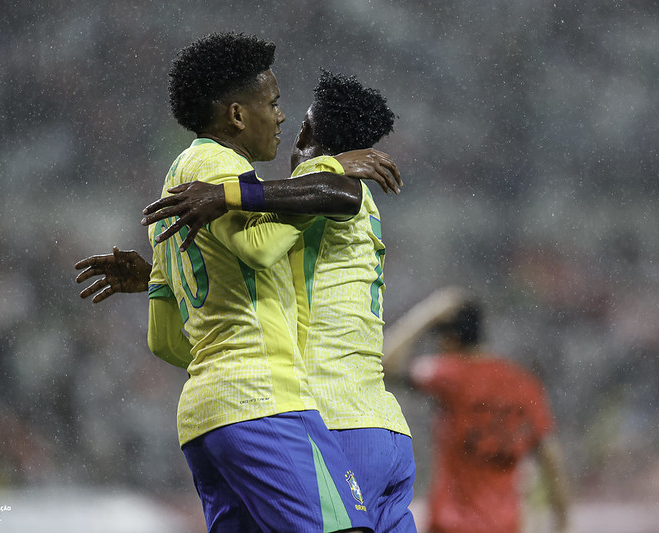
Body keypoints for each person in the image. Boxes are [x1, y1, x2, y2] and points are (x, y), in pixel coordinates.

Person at [77, 70, 417, 532]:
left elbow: (264, 241)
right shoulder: (339, 205)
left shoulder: (326, 193)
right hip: (383, 424)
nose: (280, 122)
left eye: (293, 121)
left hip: (334, 417)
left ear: (308, 136)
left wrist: (221, 200)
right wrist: (167, 274)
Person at [382, 287, 570, 533]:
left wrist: (427, 313)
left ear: (449, 339)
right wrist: (563, 522)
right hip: (504, 526)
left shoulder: (448, 374)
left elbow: (386, 362)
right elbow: (551, 459)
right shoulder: (524, 385)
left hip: (451, 525)